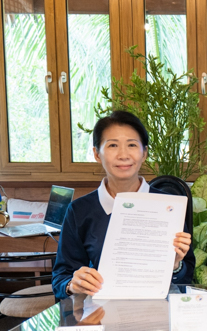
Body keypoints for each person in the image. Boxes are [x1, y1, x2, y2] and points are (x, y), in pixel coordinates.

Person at [52, 111, 194, 299]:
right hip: (101, 314)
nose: (123, 155)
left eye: (132, 145)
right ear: (97, 154)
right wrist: (73, 284)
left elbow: (186, 277)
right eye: (112, 145)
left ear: (144, 153)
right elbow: (60, 279)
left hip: (157, 313)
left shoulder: (168, 207)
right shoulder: (80, 210)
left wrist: (175, 265)